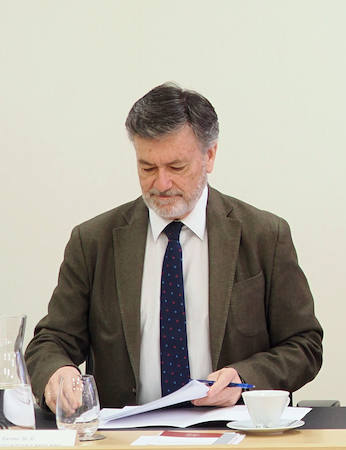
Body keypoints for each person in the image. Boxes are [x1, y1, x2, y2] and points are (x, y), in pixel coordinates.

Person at [26, 83, 324, 412]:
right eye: (147, 168)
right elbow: (51, 341)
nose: (161, 183)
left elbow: (304, 344)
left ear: (209, 156)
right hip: (124, 443)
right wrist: (59, 373)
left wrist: (243, 378)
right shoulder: (94, 241)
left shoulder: (264, 235)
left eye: (176, 167)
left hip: (233, 434)